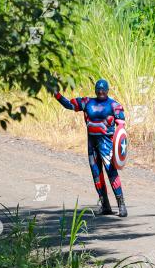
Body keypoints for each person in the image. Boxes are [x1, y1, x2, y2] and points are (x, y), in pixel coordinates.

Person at [53, 78, 128, 217]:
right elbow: (69, 105)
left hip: (107, 145)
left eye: (103, 90)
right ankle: (105, 205)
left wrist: (120, 147)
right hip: (92, 145)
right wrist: (56, 94)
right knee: (96, 175)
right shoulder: (87, 102)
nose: (100, 92)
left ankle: (121, 205)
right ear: (95, 90)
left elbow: (121, 127)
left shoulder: (114, 105)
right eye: (98, 90)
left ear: (107, 91)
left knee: (111, 173)